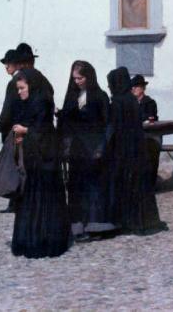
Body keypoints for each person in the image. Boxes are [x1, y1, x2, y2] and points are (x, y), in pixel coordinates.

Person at [10, 69, 71, 258]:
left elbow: (44, 132)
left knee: (43, 200)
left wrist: (25, 131)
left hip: (45, 160)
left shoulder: (41, 102)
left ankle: (44, 240)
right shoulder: (29, 103)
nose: (19, 92)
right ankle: (32, 238)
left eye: (22, 88)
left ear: (32, 86)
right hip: (34, 160)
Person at [58, 60, 114, 242]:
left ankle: (97, 226)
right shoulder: (71, 97)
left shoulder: (100, 96)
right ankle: (78, 225)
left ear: (89, 77)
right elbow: (67, 121)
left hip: (95, 151)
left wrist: (101, 147)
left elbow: (107, 124)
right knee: (76, 188)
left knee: (94, 189)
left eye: (80, 78)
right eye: (74, 78)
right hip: (77, 152)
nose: (77, 82)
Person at [106, 67, 167, 235]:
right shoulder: (131, 100)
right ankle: (143, 221)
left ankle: (128, 221)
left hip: (123, 151)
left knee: (126, 186)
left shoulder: (118, 102)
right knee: (139, 187)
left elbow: (114, 129)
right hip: (137, 150)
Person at [0, 49, 21, 213]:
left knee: (12, 165)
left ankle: (14, 201)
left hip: (12, 129)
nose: (6, 67)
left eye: (8, 64)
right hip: (17, 128)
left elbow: (7, 109)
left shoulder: (14, 82)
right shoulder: (19, 80)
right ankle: (14, 201)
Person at [131, 74, 161, 185]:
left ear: (143, 88)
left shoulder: (150, 102)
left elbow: (150, 118)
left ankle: (150, 183)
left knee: (150, 149)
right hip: (136, 136)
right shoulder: (130, 103)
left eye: (136, 86)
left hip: (150, 135)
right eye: (132, 87)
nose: (133, 89)